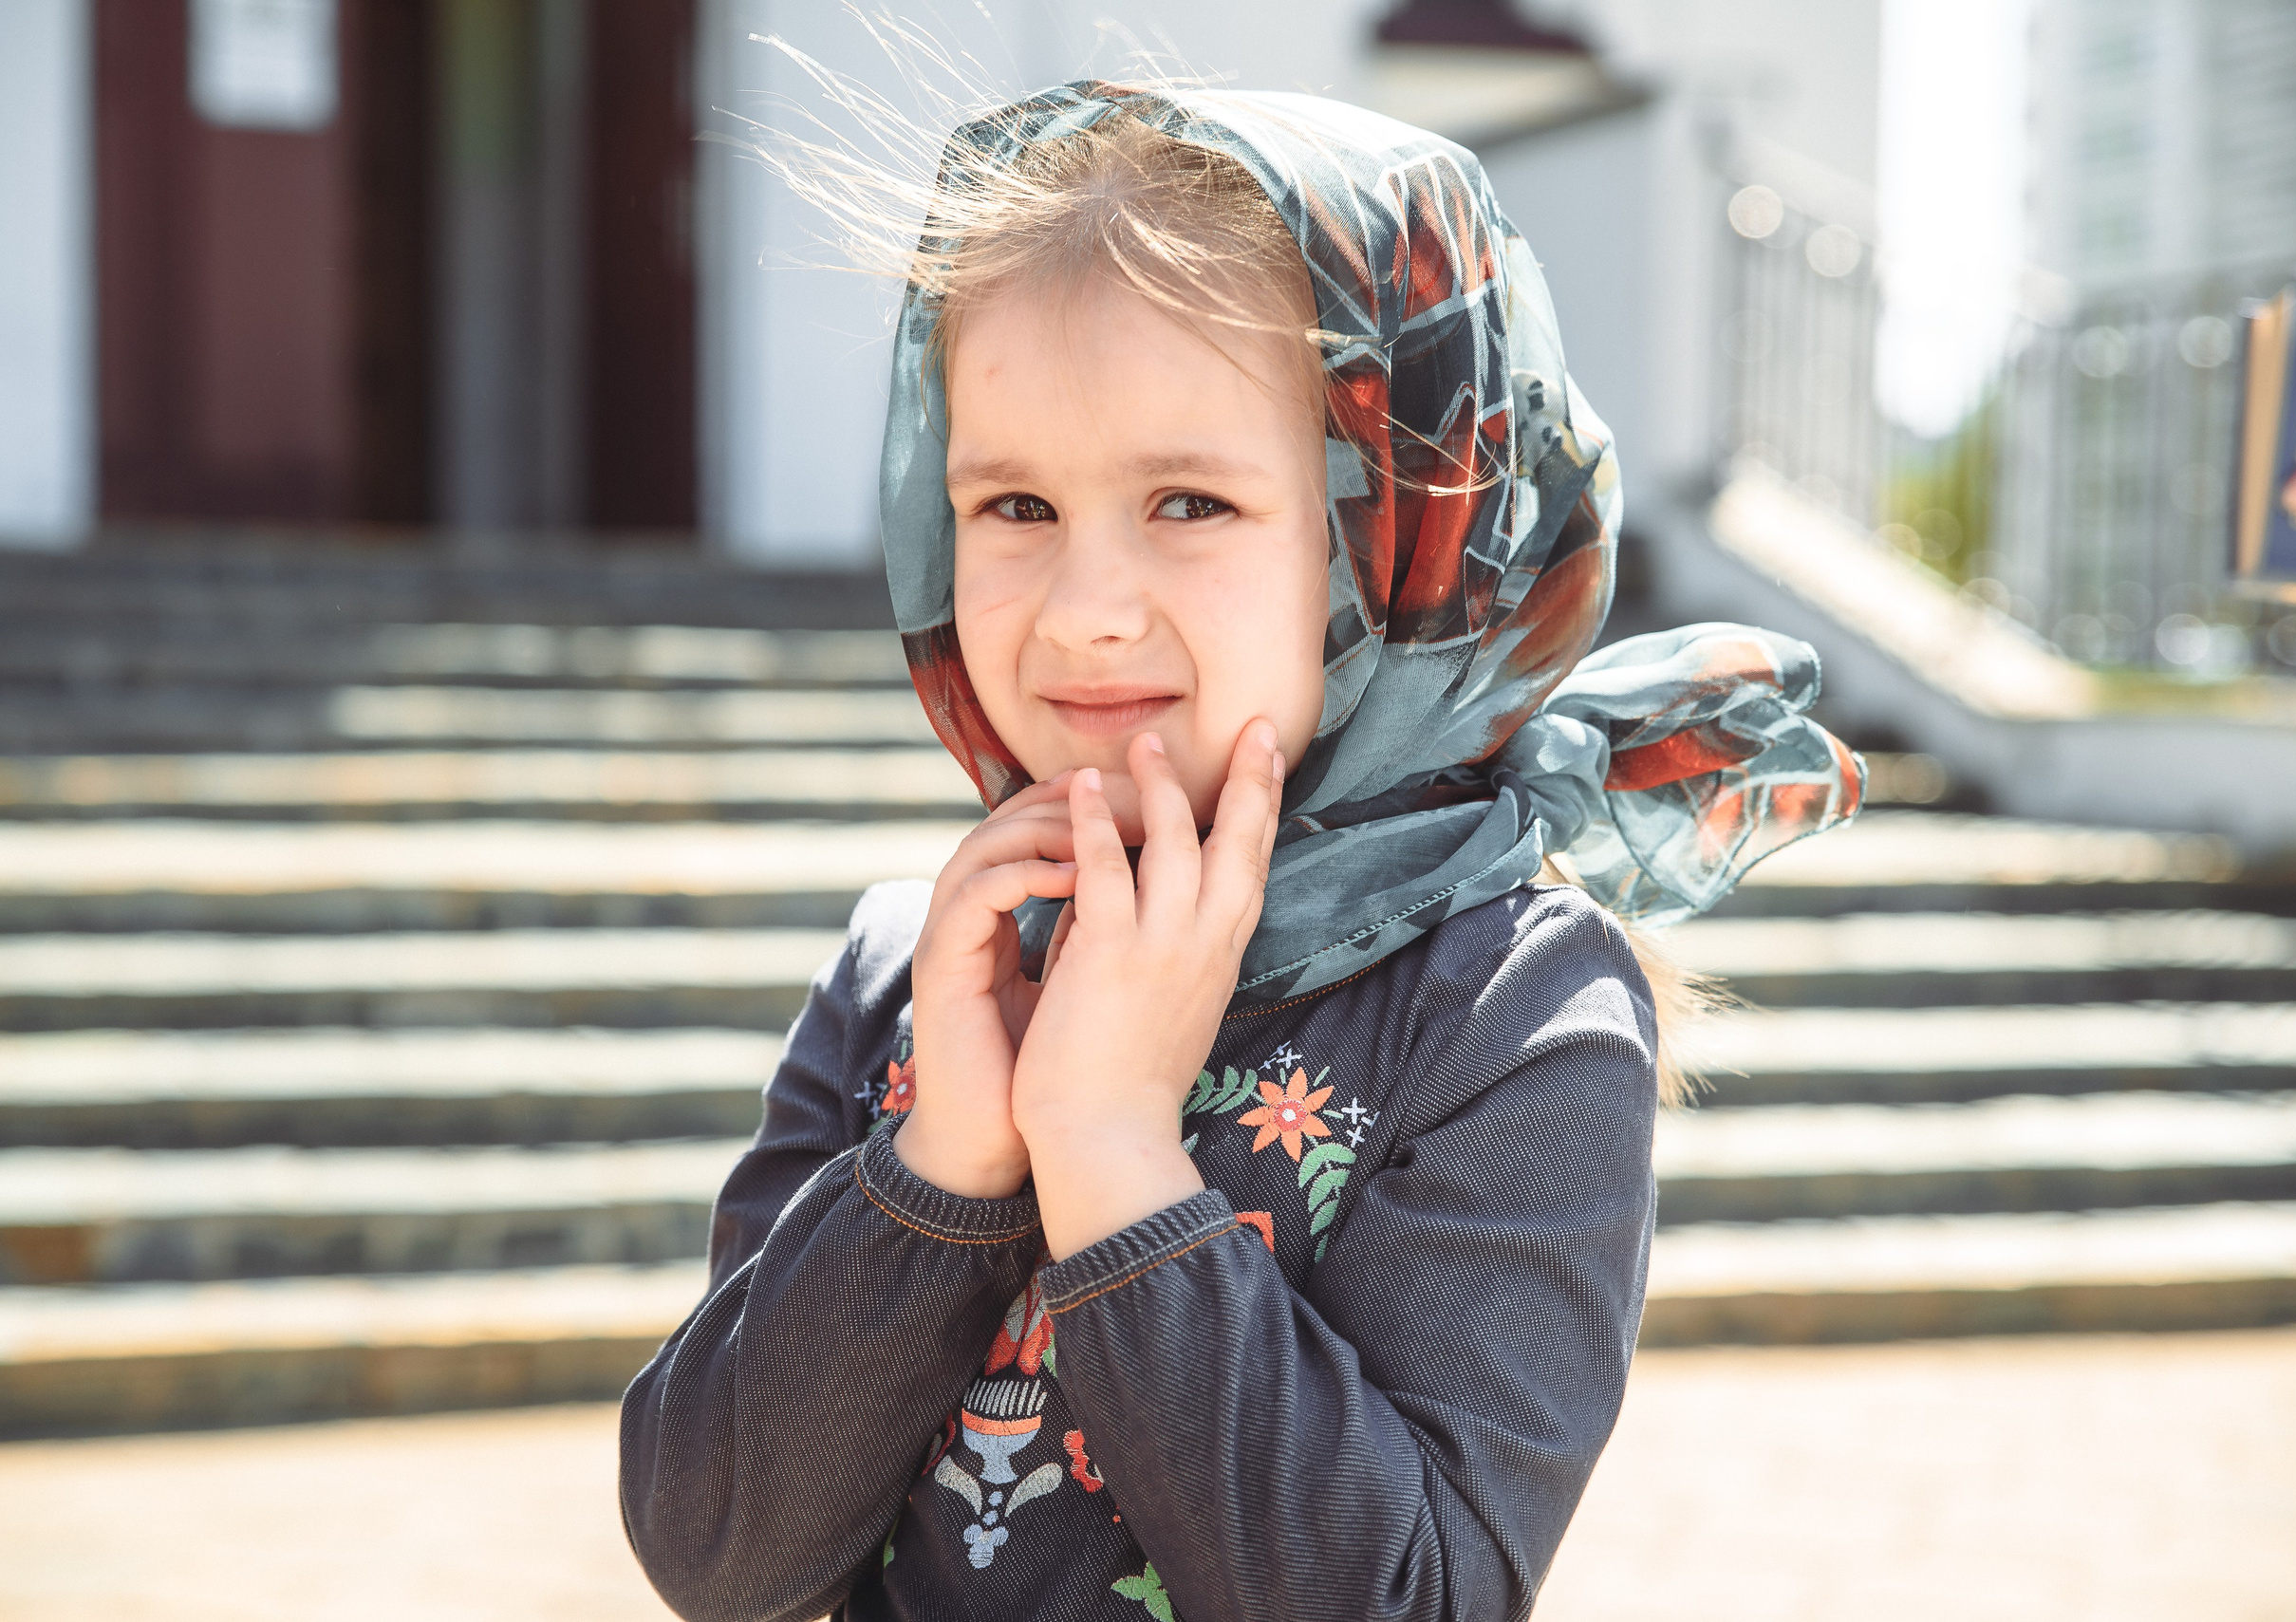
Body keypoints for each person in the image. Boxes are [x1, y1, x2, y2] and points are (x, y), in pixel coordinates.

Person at [621, 80, 1862, 1622]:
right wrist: (943, 1158)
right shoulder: (912, 968)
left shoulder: (1513, 1014)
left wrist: (1110, 1150)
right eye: (1013, 503)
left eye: (1189, 500)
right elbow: (715, 1547)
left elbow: (1401, 1597)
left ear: (1411, 527)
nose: (1082, 608)